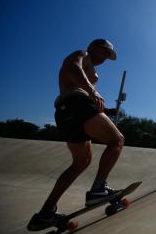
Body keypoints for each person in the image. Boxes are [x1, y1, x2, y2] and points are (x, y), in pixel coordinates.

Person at [27, 39, 125, 231]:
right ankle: (98, 189)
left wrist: (102, 106)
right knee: (117, 141)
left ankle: (45, 212)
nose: (105, 58)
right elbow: (73, 68)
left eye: (108, 56)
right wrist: (91, 92)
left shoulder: (89, 70)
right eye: (104, 53)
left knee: (80, 162)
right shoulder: (82, 54)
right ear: (94, 47)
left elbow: (81, 84)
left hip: (65, 111)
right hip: (77, 104)